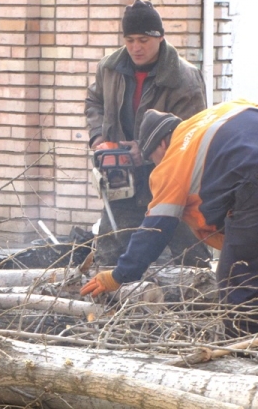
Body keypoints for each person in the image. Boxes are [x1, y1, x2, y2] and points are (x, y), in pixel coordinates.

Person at [80, 99, 258, 336]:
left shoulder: (173, 161)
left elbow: (156, 229)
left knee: (237, 280)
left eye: (152, 157)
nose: (156, 163)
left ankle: (244, 357)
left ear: (162, 144)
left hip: (252, 187)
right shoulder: (221, 111)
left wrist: (119, 275)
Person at [84, 0, 210, 267]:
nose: (135, 47)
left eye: (143, 39)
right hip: (122, 181)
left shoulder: (185, 78)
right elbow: (94, 102)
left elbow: (192, 133)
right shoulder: (109, 68)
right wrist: (98, 138)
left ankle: (200, 306)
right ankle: (110, 305)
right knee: (110, 255)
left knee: (191, 259)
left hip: (171, 182)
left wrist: (143, 150)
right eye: (129, 40)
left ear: (160, 37)